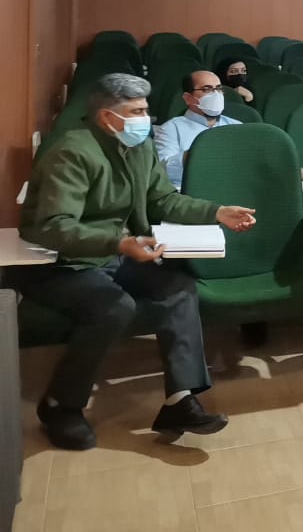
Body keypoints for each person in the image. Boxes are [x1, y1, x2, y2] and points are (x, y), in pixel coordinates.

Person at [12, 73, 257, 450]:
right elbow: (54, 226)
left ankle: (180, 401)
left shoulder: (139, 146)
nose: (146, 118)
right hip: (62, 262)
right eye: (137, 111)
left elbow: (163, 200)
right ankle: (61, 406)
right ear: (107, 116)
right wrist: (121, 242)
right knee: (114, 308)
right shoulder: (72, 152)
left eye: (145, 109)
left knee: (178, 287)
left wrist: (216, 212)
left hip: (117, 251)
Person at [154, 70, 240, 189]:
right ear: (188, 98)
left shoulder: (237, 126)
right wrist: (193, 156)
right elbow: (161, 172)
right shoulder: (171, 129)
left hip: (232, 189)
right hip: (190, 193)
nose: (216, 94)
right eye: (207, 89)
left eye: (218, 89)